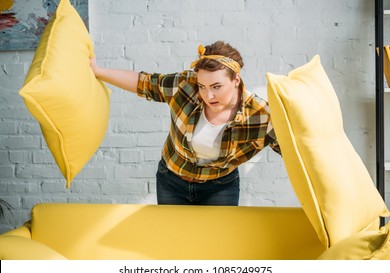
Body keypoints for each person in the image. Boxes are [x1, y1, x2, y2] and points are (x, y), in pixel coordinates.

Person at [90, 41, 281, 206]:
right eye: (202, 86)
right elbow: (145, 83)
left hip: (220, 189)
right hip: (171, 182)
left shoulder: (261, 116)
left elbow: (295, 151)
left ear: (236, 80)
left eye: (216, 87)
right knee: (174, 240)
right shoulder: (185, 86)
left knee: (215, 243)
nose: (208, 96)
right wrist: (98, 71)